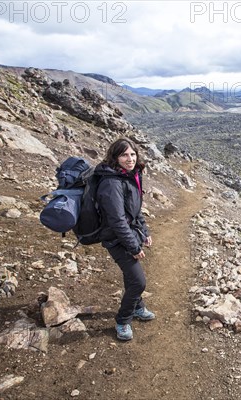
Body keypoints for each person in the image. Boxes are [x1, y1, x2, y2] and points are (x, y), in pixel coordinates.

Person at [95, 138, 155, 341]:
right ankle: (122, 320)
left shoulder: (130, 176)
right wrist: (134, 246)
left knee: (132, 278)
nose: (130, 159)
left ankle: (137, 308)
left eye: (132, 154)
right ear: (115, 157)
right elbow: (117, 221)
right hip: (115, 239)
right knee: (138, 282)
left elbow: (135, 211)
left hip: (126, 234)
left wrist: (144, 232)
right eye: (124, 155)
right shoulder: (111, 183)